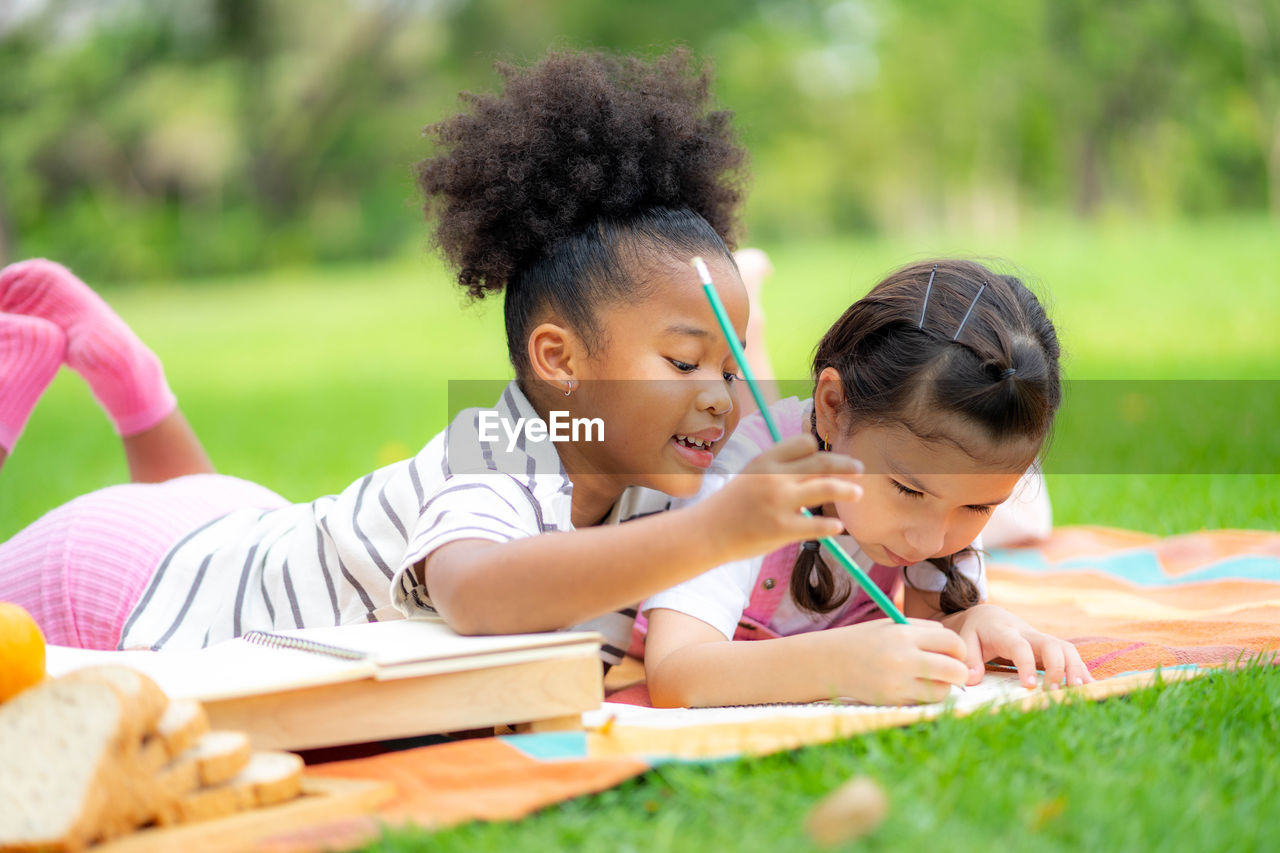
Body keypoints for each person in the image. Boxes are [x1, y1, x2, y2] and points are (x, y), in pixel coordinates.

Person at [0, 49, 862, 664]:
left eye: (725, 365)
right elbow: (478, 593)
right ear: (561, 363)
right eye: (684, 363)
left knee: (218, 521)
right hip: (115, 579)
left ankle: (134, 383)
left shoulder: (652, 463)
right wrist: (712, 530)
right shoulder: (498, 449)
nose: (719, 396)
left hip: (240, 527)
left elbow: (764, 442)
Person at [639, 259, 1093, 708]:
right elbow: (675, 673)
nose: (929, 539)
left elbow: (929, 621)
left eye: (978, 509)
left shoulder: (928, 489)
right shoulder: (741, 482)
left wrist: (974, 623)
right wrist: (836, 666)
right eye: (908, 491)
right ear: (834, 405)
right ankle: (750, 320)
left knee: (1029, 519)